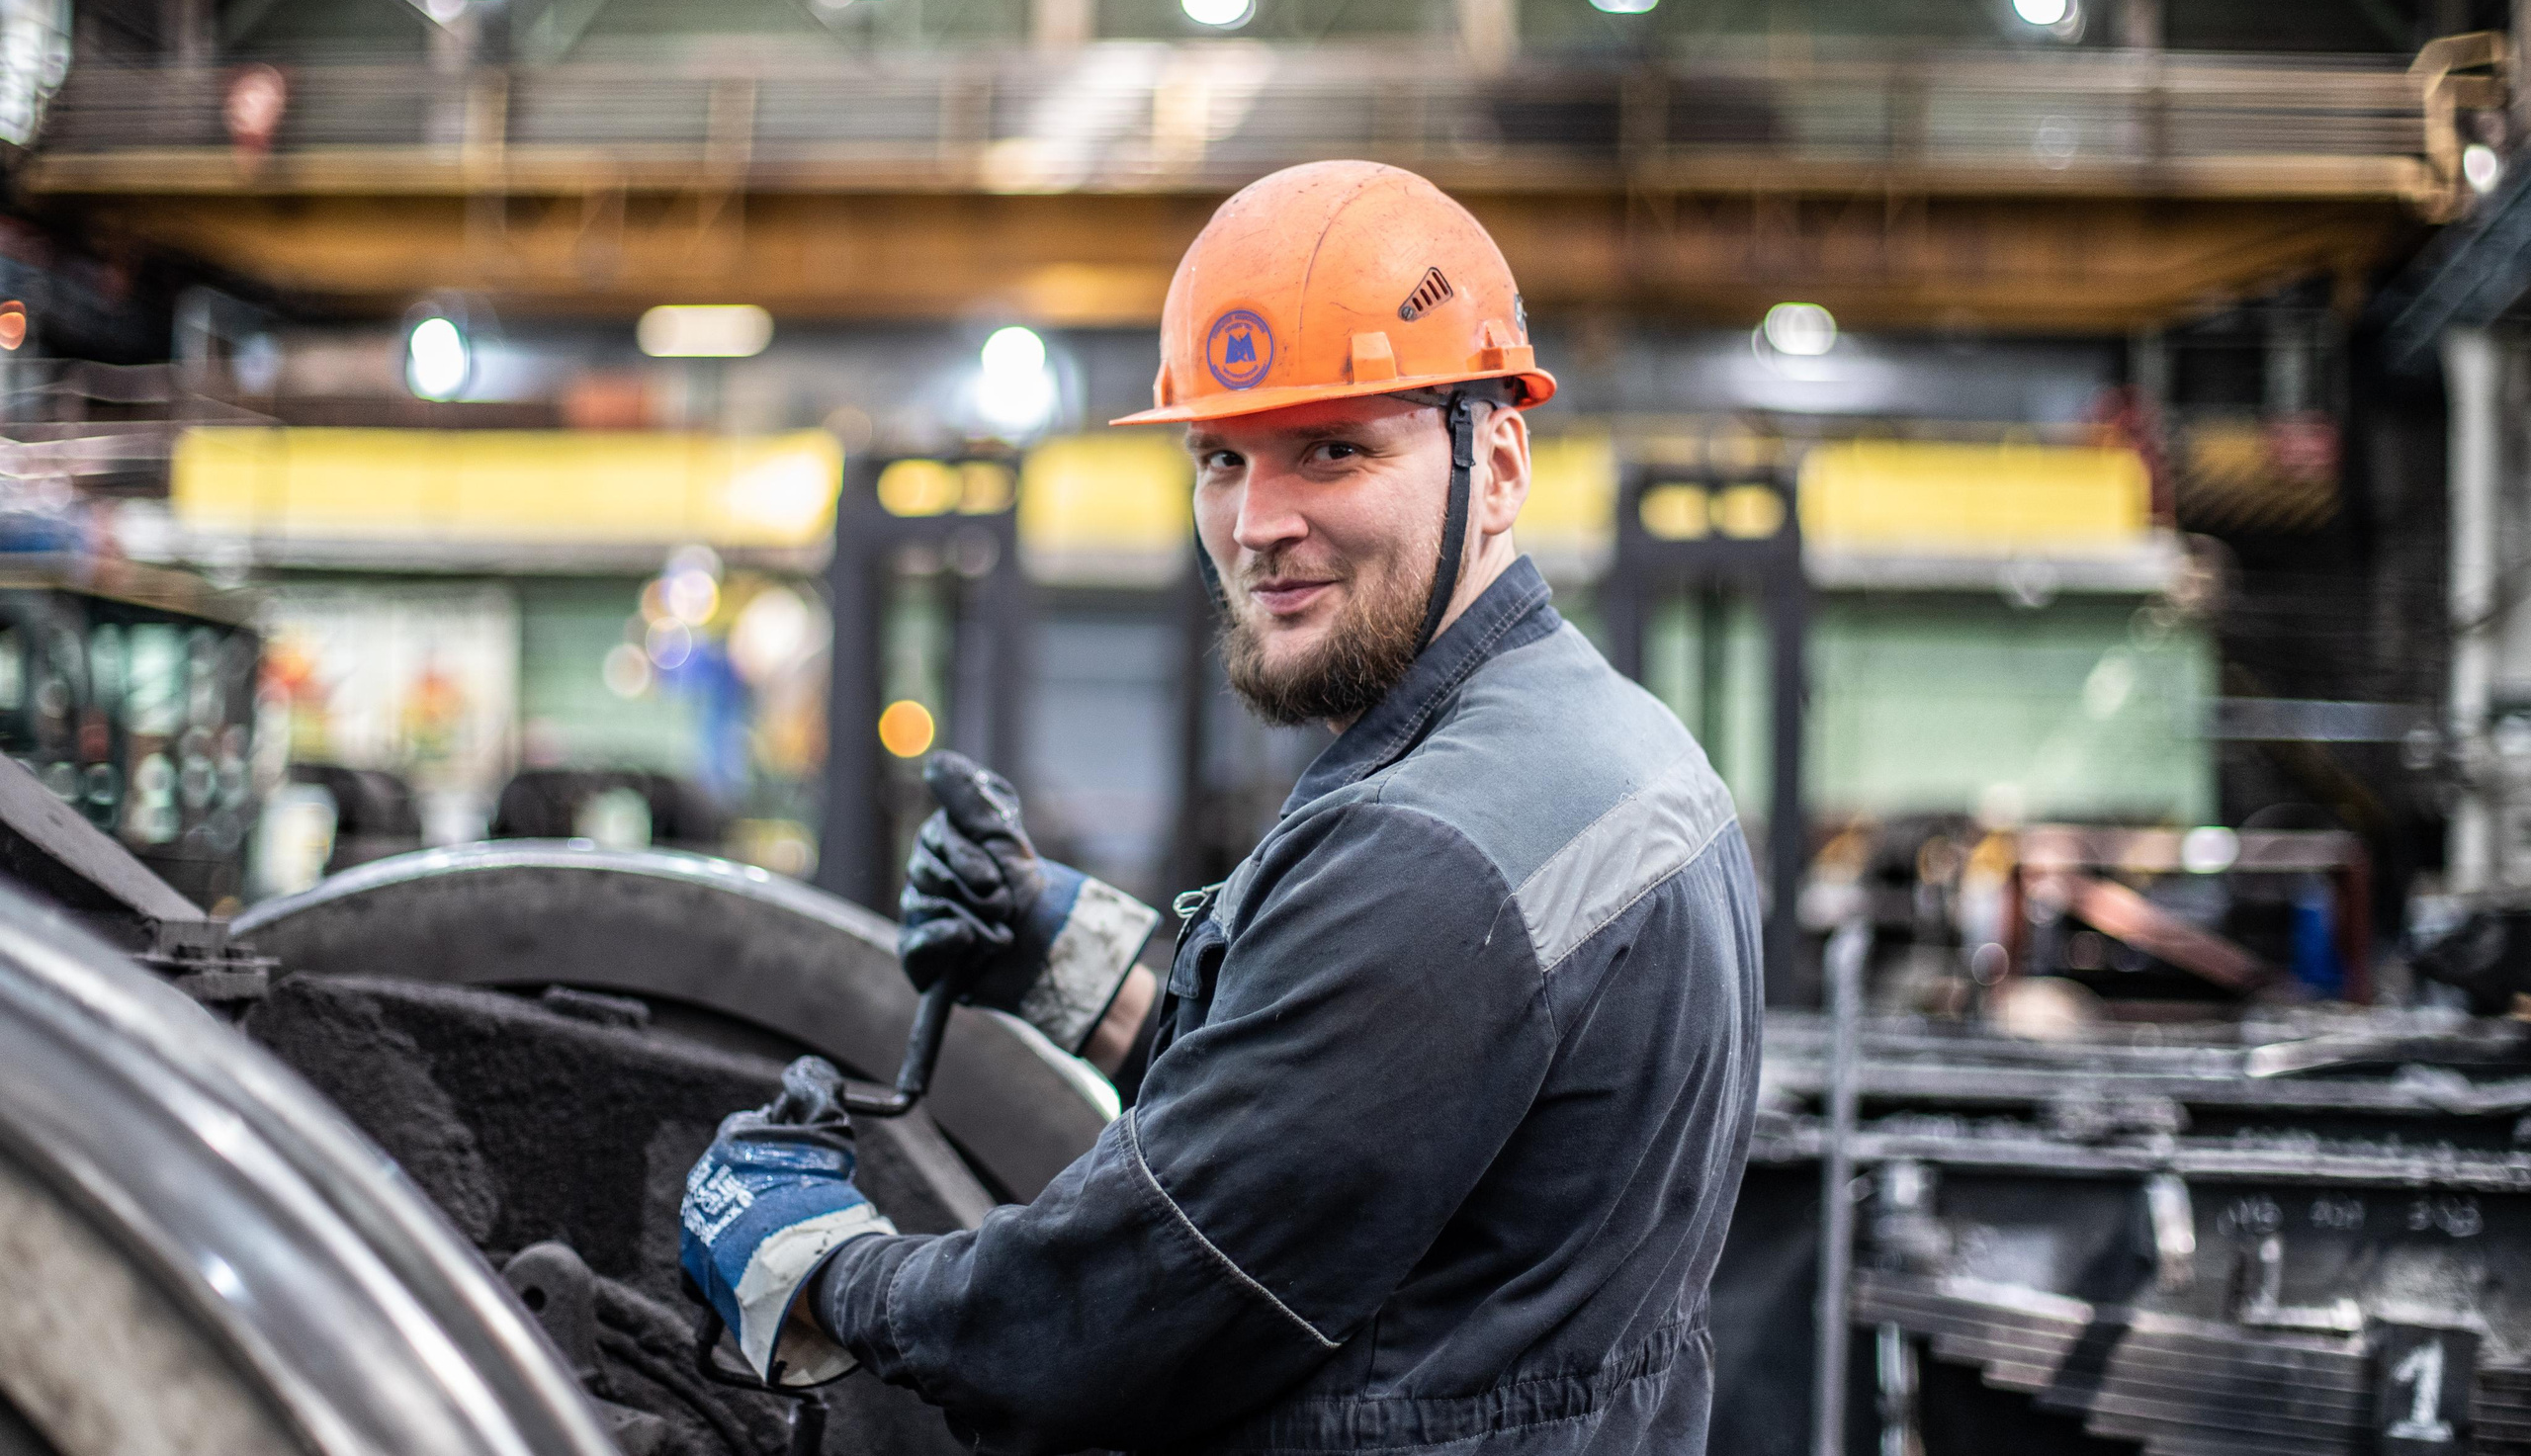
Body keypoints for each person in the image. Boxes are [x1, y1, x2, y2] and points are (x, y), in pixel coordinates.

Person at [679, 160, 1764, 1455]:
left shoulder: (1433, 853)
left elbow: (1107, 1316)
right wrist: (1060, 943)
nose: (1259, 523)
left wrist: (820, 1271)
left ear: (1501, 462)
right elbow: (1350, 1123)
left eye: (1334, 450)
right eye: (1220, 460)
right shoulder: (1600, 744)